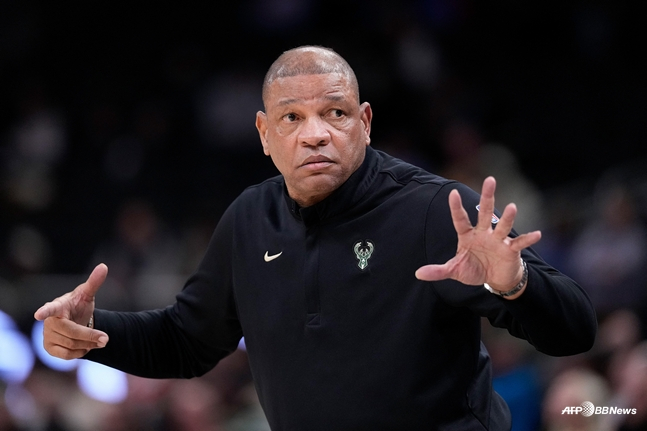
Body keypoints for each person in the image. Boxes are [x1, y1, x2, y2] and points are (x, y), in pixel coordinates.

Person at [34, 46, 597, 430]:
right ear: (264, 133)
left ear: (365, 122)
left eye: (335, 112)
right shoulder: (250, 219)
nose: (316, 134)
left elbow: (575, 331)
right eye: (292, 118)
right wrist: (95, 333)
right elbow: (188, 340)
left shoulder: (437, 210)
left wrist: (515, 285)